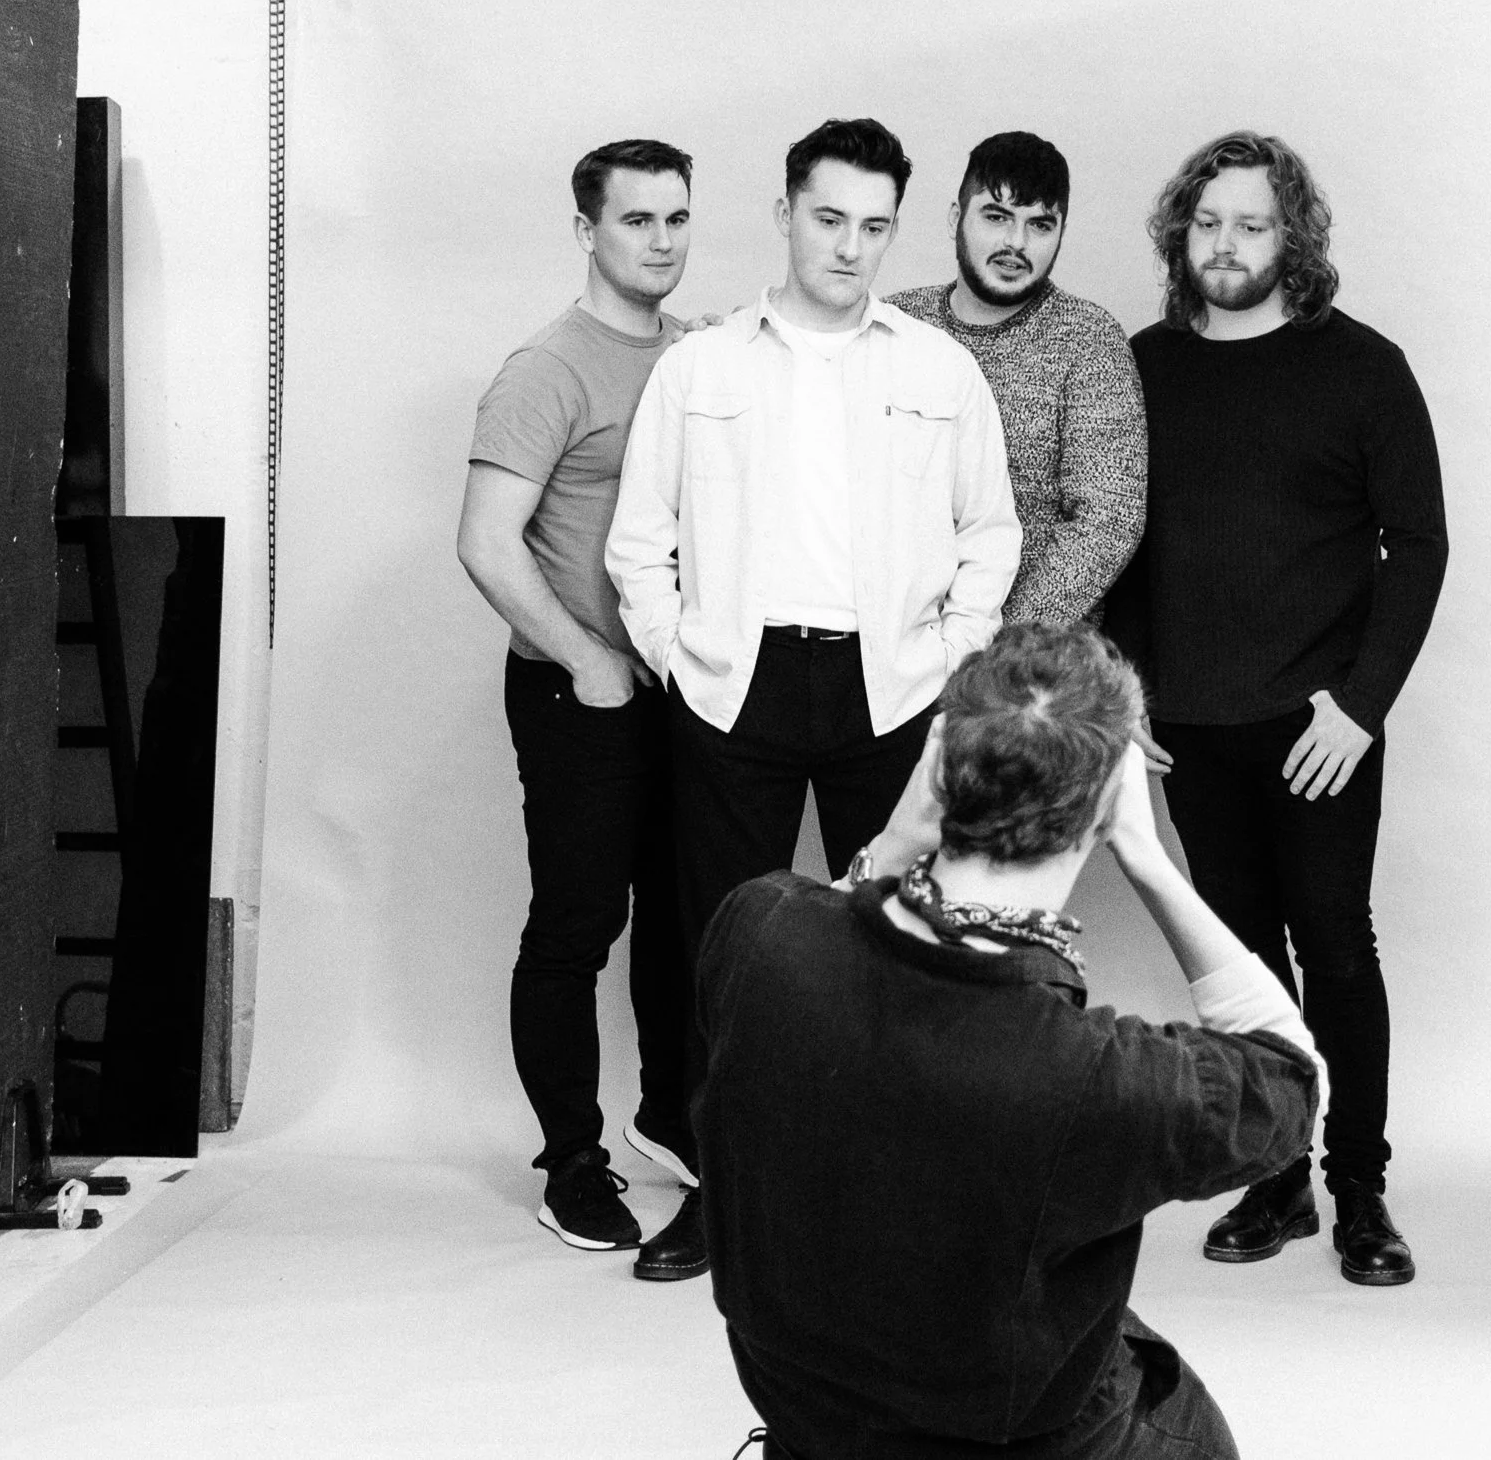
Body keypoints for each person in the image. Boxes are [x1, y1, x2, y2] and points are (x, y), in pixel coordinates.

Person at [693, 623, 1322, 1460]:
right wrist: (1148, 855)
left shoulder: (755, 930)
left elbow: (848, 930)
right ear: (1102, 805)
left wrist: (906, 822)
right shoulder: (1099, 1081)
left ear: (941, 762)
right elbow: (1293, 1078)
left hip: (810, 1417)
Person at [606, 116, 1021, 1281]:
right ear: (785, 213)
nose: (848, 247)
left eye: (874, 226)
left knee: (900, 946)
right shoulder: (702, 365)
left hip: (884, 683)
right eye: (828, 218)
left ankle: (896, 1205)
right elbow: (640, 541)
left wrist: (948, 653)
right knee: (722, 947)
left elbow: (990, 530)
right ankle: (721, 1192)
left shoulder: (937, 367)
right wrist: (680, 659)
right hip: (734, 680)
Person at [1105, 130, 1447, 1286]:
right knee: (1243, 960)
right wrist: (1135, 684)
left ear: (1291, 235)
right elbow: (1120, 548)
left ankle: (1360, 1191)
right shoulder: (1143, 368)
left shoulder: (1361, 367)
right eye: (1208, 222)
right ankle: (1274, 1179)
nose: (1227, 244)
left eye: (1252, 223)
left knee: (1336, 946)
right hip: (1191, 721)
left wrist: (1360, 704)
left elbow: (1420, 544)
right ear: (1178, 233)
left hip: (1320, 729)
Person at [455, 138, 706, 1259]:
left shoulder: (699, 358)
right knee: (575, 928)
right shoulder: (546, 369)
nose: (659, 241)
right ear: (586, 230)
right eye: (636, 220)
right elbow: (484, 542)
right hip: (578, 694)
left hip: (682, 690)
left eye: (674, 219)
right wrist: (584, 659)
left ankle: (670, 1113)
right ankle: (570, 1162)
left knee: (684, 917)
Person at [888, 132, 1145, 628]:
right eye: (997, 216)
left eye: (1040, 224)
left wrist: (992, 641)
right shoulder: (899, 322)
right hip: (892, 660)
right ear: (954, 218)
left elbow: (1107, 521)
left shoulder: (1088, 340)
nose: (1016, 243)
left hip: (1031, 674)